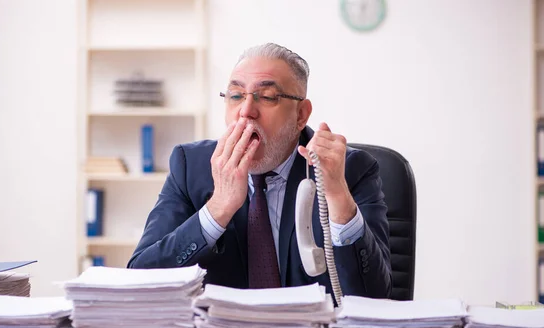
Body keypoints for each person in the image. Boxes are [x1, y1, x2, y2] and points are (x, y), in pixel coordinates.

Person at [127, 43, 392, 299]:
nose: (246, 112)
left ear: (301, 114)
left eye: (266, 97)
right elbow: (141, 279)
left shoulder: (349, 171)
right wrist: (217, 209)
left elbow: (375, 298)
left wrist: (339, 201)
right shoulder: (189, 166)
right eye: (235, 96)